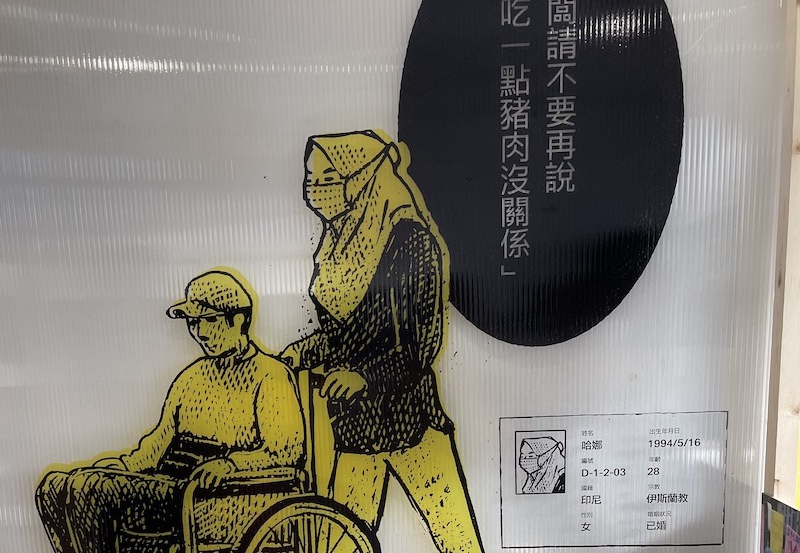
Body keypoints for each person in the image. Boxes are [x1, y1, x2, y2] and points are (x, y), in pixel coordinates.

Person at [282, 130, 484, 553]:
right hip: (357, 426)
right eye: (310, 179)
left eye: (328, 179)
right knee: (343, 544)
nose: (314, 191)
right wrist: (306, 350)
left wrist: (363, 377)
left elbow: (421, 345)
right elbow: (346, 336)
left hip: (411, 422)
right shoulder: (338, 246)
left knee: (457, 542)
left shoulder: (412, 242)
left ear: (362, 179)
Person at [35, 269, 305, 553]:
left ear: (237, 320)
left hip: (214, 498)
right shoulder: (191, 377)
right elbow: (158, 442)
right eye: (193, 322)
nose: (200, 332)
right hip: (170, 490)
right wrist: (124, 466)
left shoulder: (271, 375)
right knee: (54, 487)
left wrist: (230, 465)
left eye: (209, 320)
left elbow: (285, 452)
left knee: (89, 488)